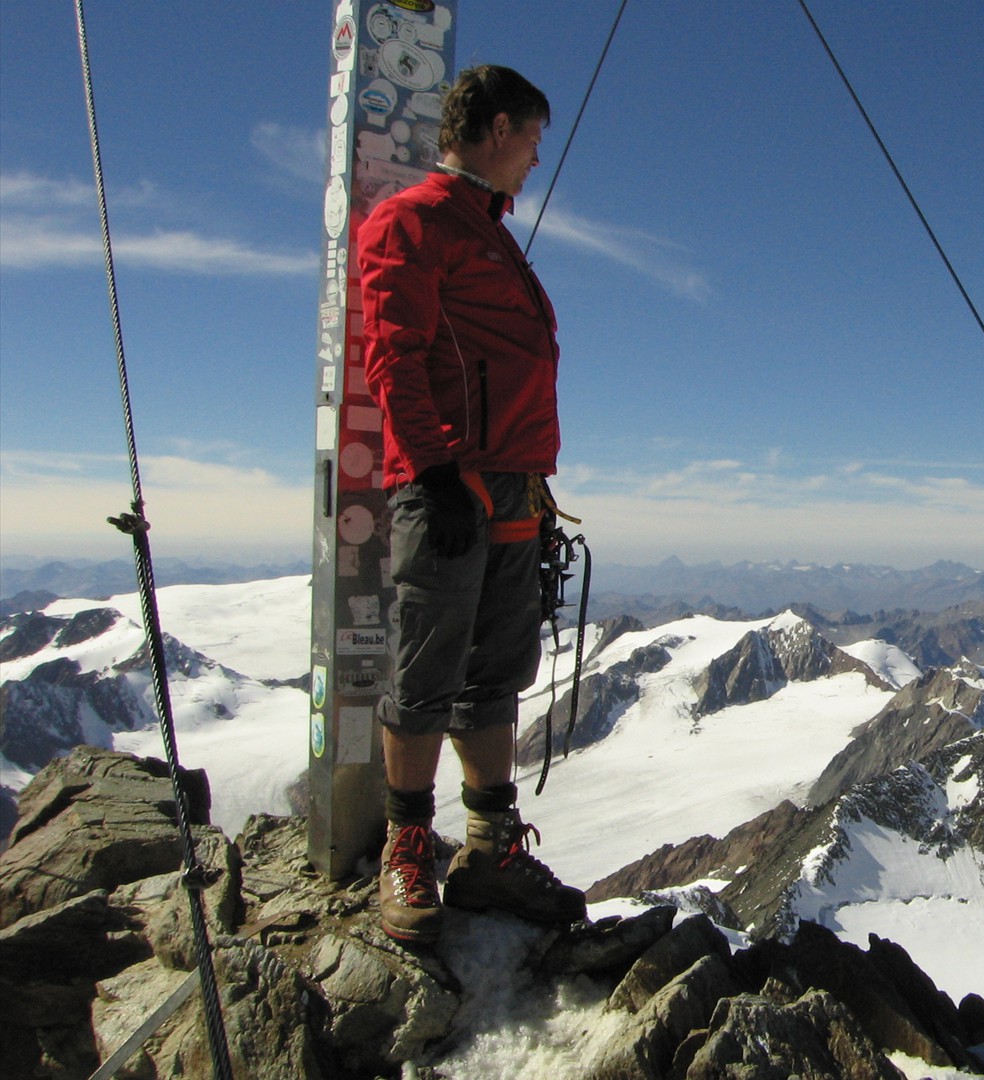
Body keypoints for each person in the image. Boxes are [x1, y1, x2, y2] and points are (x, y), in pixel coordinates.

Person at [358, 64, 584, 944]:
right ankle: (407, 848)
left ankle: (490, 849)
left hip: (514, 485)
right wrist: (435, 471)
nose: (534, 160)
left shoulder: (484, 232)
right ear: (495, 130)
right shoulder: (414, 222)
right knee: (426, 670)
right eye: (530, 140)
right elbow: (393, 351)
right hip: (453, 486)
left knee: (495, 667)